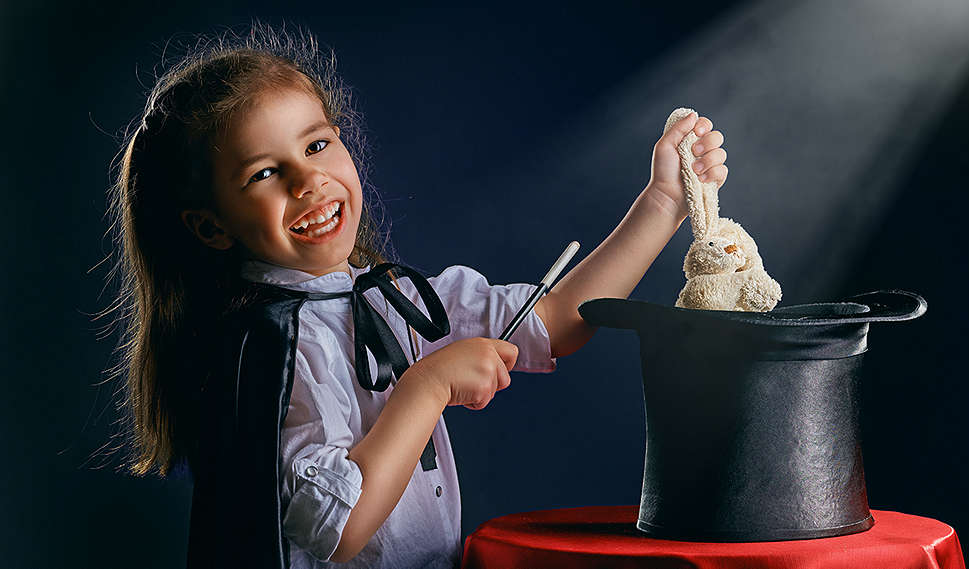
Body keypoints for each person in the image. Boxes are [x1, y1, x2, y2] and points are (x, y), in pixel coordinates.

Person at [106, 21, 728, 569]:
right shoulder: (272, 348)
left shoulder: (389, 299)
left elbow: (560, 319)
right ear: (212, 226)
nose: (309, 180)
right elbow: (336, 528)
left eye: (317, 144)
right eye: (264, 174)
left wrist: (664, 202)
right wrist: (427, 386)